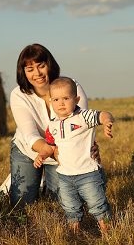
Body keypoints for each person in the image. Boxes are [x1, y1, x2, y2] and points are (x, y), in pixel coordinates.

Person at [7, 43, 99, 207]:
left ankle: (45, 184)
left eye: (41, 66)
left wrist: (89, 148)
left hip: (64, 152)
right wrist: (49, 151)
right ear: (24, 72)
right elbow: (30, 135)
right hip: (28, 151)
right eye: (30, 69)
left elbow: (82, 125)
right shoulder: (18, 95)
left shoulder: (72, 87)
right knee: (21, 205)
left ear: (49, 65)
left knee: (66, 205)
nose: (37, 73)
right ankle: (36, 182)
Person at [33, 77, 114, 233]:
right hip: (64, 176)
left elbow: (103, 114)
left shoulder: (83, 116)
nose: (61, 103)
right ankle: (75, 233)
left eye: (66, 98)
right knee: (70, 207)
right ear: (51, 102)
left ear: (76, 99)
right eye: (56, 99)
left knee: (97, 204)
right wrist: (41, 155)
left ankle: (107, 231)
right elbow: (50, 146)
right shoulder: (53, 125)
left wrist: (106, 123)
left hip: (88, 173)